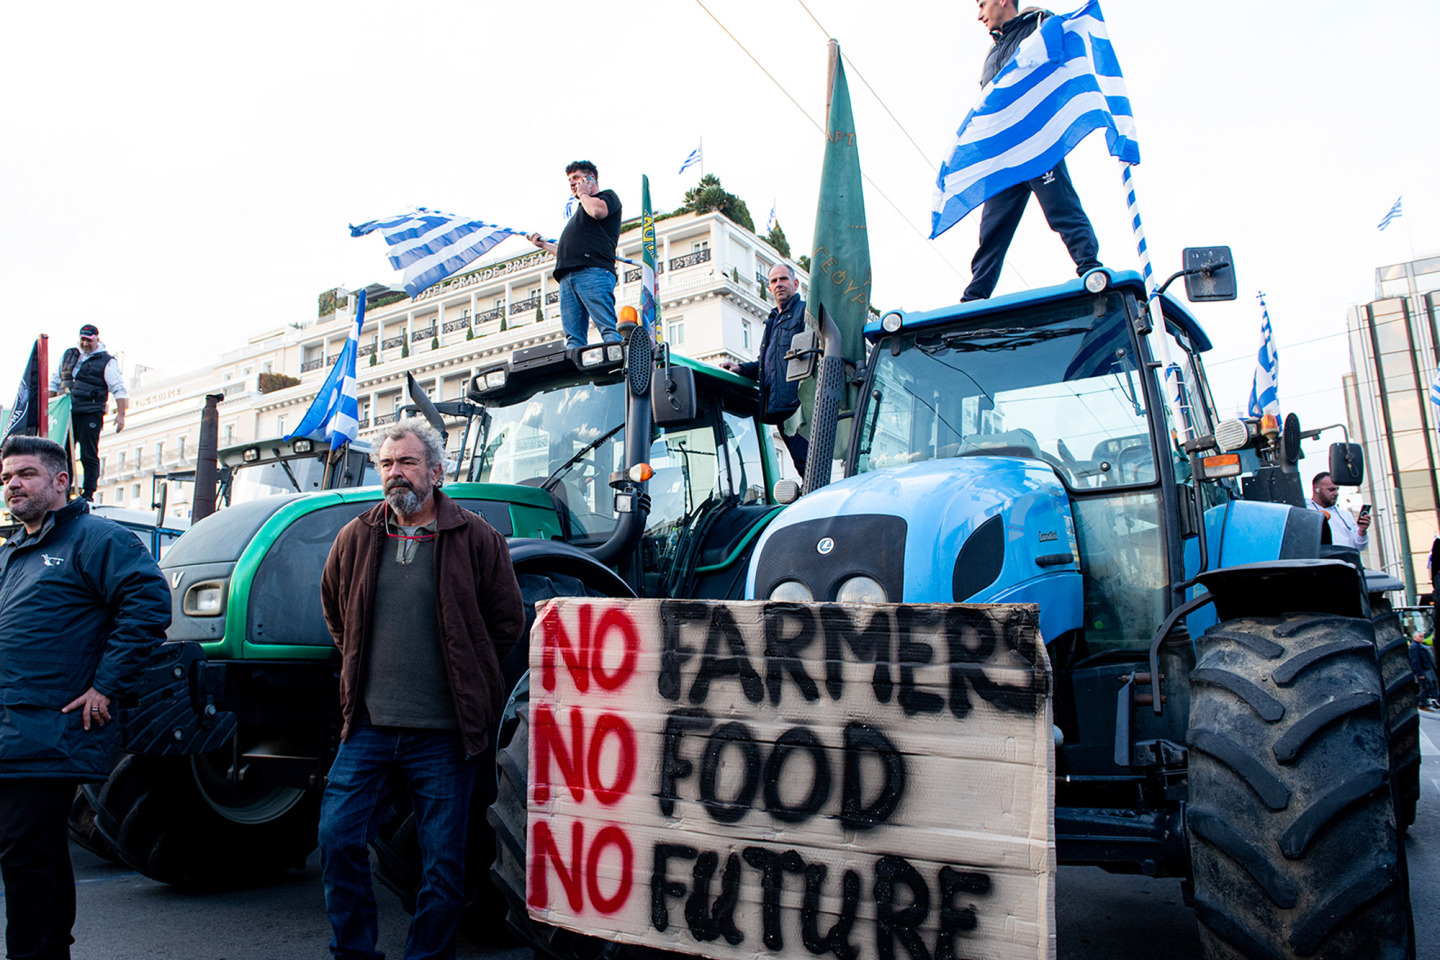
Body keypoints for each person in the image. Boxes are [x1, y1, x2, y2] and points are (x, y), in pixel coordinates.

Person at [318, 417, 525, 960]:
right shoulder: (356, 537)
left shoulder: (476, 537)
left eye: (407, 463)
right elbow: (337, 615)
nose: (395, 474)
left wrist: (467, 666)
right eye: (387, 464)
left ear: (435, 470)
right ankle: (355, 953)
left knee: (444, 867)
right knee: (338, 841)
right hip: (367, 730)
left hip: (444, 737)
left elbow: (506, 622)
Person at [0, 434, 169, 960]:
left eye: (25, 474)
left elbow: (147, 605)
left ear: (60, 481)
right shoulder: (14, 552)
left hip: (51, 722)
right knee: (40, 850)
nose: (12, 485)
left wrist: (105, 684)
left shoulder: (96, 538)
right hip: (13, 722)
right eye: (6, 478)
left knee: (25, 854)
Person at [961, 0, 1102, 302]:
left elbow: (1058, 61)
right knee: (991, 232)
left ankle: (1091, 269)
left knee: (1062, 211)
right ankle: (973, 298)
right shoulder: (993, 52)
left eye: (982, 4)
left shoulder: (1038, 25)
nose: (979, 15)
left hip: (1037, 145)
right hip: (1003, 157)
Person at [720, 263, 809, 473]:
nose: (778, 284)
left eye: (783, 279)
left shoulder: (804, 312)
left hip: (799, 405)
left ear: (795, 284)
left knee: (808, 462)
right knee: (801, 464)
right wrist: (740, 368)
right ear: (769, 288)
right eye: (773, 281)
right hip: (779, 407)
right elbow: (766, 366)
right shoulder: (772, 321)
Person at [526, 161, 623, 349]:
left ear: (590, 178)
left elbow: (597, 211)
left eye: (577, 178)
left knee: (607, 329)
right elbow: (566, 252)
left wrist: (584, 193)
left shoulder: (607, 197)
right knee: (573, 338)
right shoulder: (580, 213)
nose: (572, 183)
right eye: (570, 180)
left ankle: (618, 367)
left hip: (592, 271)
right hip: (568, 275)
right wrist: (544, 245)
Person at [48, 323, 127, 501]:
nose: (85, 344)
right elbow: (54, 381)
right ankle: (64, 490)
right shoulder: (69, 355)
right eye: (83, 339)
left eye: (89, 340)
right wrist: (48, 408)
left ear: (96, 340)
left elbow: (118, 389)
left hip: (90, 411)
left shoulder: (107, 361)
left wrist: (120, 415)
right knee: (64, 453)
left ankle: (89, 492)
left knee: (88, 453)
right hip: (66, 411)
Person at [1306, 470, 1369, 551]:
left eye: (1337, 489)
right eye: (1331, 490)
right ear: (1317, 489)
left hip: (1347, 560)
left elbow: (1360, 546)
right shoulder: (1305, 510)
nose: (1336, 493)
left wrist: (1362, 530)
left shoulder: (1345, 515)